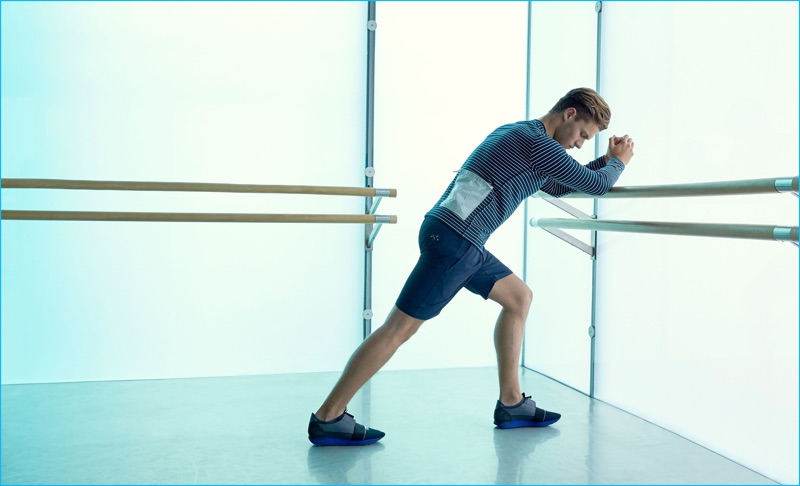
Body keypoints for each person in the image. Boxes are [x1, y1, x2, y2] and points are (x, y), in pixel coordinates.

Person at [307, 87, 635, 446]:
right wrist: (618, 162)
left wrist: (605, 160)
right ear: (570, 114)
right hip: (457, 242)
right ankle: (328, 416)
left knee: (518, 298)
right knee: (398, 329)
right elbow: (597, 186)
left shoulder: (520, 132)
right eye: (583, 136)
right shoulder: (538, 144)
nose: (579, 145)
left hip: (455, 236)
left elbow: (557, 186)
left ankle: (512, 403)